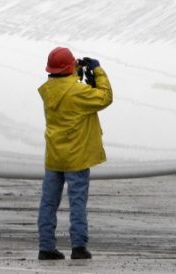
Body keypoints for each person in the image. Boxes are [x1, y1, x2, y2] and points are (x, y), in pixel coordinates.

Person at [36, 47, 113, 261]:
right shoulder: (78, 92)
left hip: (54, 155)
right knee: (77, 202)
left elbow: (66, 89)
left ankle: (46, 247)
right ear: (70, 67)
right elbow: (105, 97)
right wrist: (97, 71)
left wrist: (76, 74)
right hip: (77, 156)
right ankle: (78, 247)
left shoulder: (48, 91)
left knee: (48, 203)